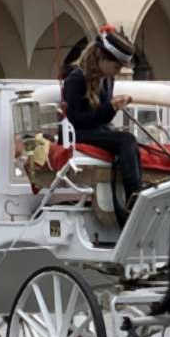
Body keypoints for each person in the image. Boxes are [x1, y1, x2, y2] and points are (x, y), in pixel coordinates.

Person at [62, 26, 142, 227]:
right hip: (78, 133)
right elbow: (77, 120)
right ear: (102, 59)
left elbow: (101, 119)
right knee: (127, 140)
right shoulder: (75, 79)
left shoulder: (108, 79)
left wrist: (112, 107)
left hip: (95, 129)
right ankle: (135, 197)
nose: (118, 71)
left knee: (130, 140)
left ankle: (135, 193)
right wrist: (111, 107)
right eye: (116, 66)